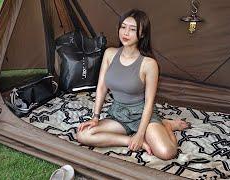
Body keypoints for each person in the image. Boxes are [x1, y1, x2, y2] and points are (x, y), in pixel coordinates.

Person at [76, 9, 190, 160]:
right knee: (83, 135)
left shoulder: (149, 64)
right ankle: (129, 139)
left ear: (142, 34)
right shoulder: (109, 53)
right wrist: (95, 117)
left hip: (143, 116)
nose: (126, 32)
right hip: (118, 114)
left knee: (167, 153)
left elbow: (149, 103)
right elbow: (102, 87)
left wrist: (140, 133)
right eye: (123, 27)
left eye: (132, 29)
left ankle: (167, 125)